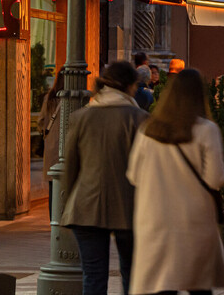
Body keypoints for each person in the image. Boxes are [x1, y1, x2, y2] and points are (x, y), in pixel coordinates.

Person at [127, 69, 224, 295]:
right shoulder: (205, 130)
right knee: (198, 284)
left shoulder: (148, 130)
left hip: (154, 218)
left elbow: (134, 174)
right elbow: (214, 179)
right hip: (193, 219)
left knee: (162, 284)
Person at [61, 62, 149, 295]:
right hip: (129, 207)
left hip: (86, 207)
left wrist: (69, 203)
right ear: (130, 86)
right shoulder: (140, 119)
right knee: (132, 275)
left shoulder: (81, 117)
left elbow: (70, 167)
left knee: (93, 277)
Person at [37, 68, 64, 216]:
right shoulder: (72, 98)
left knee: (53, 185)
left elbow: (40, 120)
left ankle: (53, 219)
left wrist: (46, 133)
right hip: (67, 148)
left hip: (51, 147)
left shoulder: (49, 97)